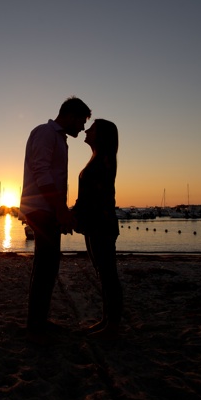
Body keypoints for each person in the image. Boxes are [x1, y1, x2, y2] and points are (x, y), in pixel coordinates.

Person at [20, 96, 92, 344]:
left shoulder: (58, 138)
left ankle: (38, 320)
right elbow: (41, 171)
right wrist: (60, 209)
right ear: (71, 115)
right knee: (46, 265)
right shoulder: (45, 133)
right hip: (41, 208)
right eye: (82, 121)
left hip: (47, 208)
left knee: (47, 265)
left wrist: (61, 209)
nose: (82, 128)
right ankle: (36, 325)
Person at [72, 119, 122, 340]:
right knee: (103, 273)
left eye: (91, 128)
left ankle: (113, 325)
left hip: (101, 224)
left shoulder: (104, 160)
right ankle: (106, 320)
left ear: (100, 134)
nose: (85, 129)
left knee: (108, 274)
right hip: (94, 223)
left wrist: (73, 215)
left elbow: (97, 197)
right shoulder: (97, 157)